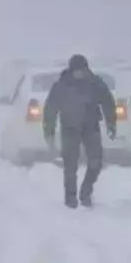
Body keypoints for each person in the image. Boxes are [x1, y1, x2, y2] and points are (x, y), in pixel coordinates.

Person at [43, 54, 117, 208]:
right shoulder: (62, 85)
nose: (79, 74)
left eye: (81, 70)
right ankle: (70, 198)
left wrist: (111, 123)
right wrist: (49, 131)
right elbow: (50, 109)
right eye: (76, 70)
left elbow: (108, 102)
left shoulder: (95, 84)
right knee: (70, 165)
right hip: (69, 128)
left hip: (91, 126)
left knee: (96, 162)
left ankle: (86, 191)